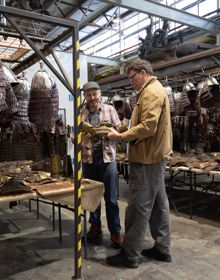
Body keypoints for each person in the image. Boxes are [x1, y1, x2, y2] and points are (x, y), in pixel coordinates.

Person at [106, 59, 173, 268]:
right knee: (158, 207)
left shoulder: (151, 91)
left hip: (147, 158)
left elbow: (148, 127)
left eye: (132, 77)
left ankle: (130, 254)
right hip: (153, 157)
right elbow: (144, 123)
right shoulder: (152, 89)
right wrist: (124, 125)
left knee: (138, 208)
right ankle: (162, 249)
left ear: (143, 72)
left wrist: (121, 136)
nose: (131, 82)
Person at [80, 81, 123, 248]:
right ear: (84, 96)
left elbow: (120, 129)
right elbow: (73, 136)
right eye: (88, 94)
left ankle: (115, 232)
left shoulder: (110, 109)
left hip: (108, 160)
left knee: (111, 199)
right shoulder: (81, 113)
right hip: (89, 161)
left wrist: (114, 133)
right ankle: (95, 228)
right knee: (93, 198)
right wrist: (80, 138)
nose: (92, 97)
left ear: (100, 93)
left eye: (95, 94)